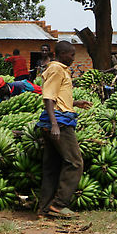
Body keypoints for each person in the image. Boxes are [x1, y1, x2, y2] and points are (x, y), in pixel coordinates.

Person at [36, 41, 91, 219]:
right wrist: (54, 124)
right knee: (75, 163)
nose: (73, 58)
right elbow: (48, 98)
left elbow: (58, 97)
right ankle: (59, 205)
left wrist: (75, 104)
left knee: (52, 166)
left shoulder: (59, 70)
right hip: (60, 123)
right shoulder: (57, 69)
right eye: (71, 55)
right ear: (62, 54)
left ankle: (44, 209)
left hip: (57, 120)